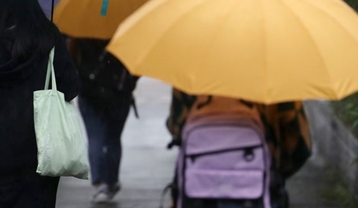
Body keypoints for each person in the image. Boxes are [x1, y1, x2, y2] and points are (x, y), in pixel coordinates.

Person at [0, 0, 80, 208]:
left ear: (1, 5)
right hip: (42, 145)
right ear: (33, 3)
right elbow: (71, 88)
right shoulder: (49, 40)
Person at [165, 89, 312, 208]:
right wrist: (272, 171)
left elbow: (176, 128)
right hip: (258, 192)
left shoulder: (191, 74)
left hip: (197, 190)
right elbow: (300, 146)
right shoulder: (276, 78)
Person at [67, 38, 139, 203]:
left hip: (89, 90)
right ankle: (111, 181)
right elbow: (137, 64)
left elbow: (71, 55)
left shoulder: (82, 28)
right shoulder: (126, 29)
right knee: (113, 138)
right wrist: (129, 83)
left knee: (95, 137)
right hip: (119, 94)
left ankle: (100, 183)